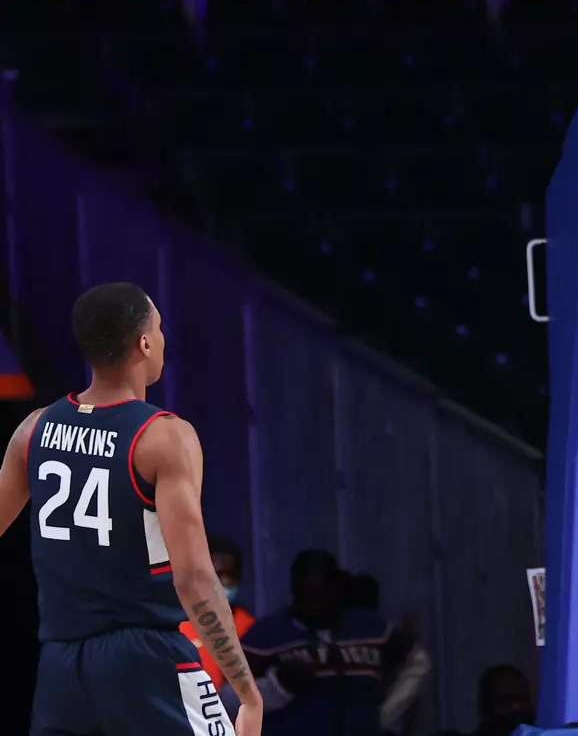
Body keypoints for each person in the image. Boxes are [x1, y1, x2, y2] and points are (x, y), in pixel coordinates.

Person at [0, 282, 263, 735]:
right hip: (146, 658)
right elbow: (195, 577)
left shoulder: (34, 429)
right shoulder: (164, 436)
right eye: (158, 328)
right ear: (144, 342)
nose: (162, 337)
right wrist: (248, 693)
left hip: (61, 664)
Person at [241, 549, 431, 736]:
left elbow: (417, 662)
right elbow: (229, 700)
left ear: (336, 590)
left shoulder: (369, 628)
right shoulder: (265, 637)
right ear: (295, 593)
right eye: (308, 598)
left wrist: (381, 717)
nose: (316, 608)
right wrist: (278, 685)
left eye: (322, 596)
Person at [180, 536, 259, 699]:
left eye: (232, 575)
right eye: (217, 575)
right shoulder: (178, 625)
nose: (225, 582)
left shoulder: (248, 626)